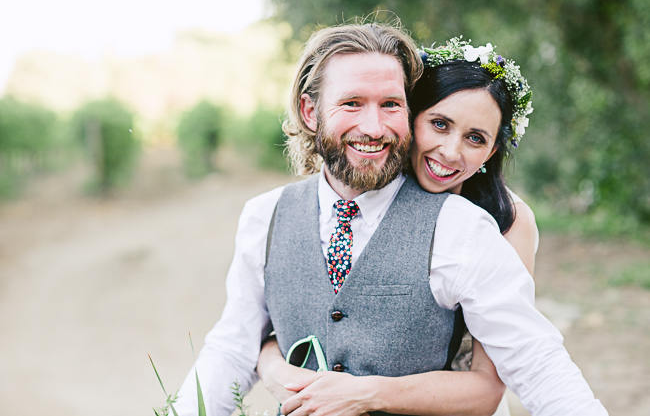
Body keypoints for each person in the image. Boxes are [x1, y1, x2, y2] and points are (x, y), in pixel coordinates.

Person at [172, 23, 608, 416]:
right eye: (352, 103)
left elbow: (535, 359)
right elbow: (232, 347)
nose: (374, 126)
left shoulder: (460, 226)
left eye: (390, 105)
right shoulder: (263, 217)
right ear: (310, 112)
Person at [256, 37, 538, 416]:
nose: (450, 152)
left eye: (475, 138)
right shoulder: (364, 183)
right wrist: (272, 366)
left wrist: (362, 393)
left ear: (492, 151)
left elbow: (493, 376)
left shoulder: (507, 223)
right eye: (439, 124)